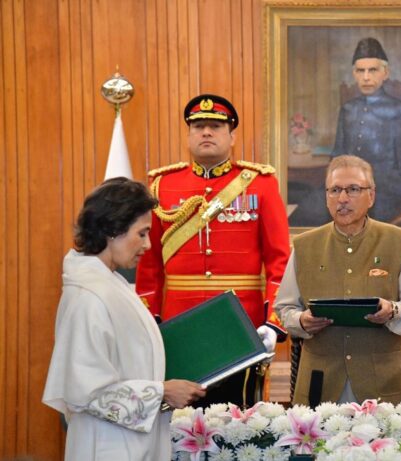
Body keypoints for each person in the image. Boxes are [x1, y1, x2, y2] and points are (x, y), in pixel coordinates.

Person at [136, 93, 290, 407]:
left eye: (216, 126)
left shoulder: (260, 184)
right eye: (198, 126)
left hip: (242, 325)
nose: (206, 132)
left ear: (232, 136)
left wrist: (273, 322)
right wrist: (150, 320)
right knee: (179, 418)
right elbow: (148, 266)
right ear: (188, 135)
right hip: (179, 326)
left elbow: (280, 261)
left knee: (241, 417)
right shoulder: (161, 186)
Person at [43, 177, 206, 460]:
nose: (148, 245)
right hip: (107, 444)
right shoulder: (87, 296)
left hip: (128, 439)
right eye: (141, 233)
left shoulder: (110, 284)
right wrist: (162, 392)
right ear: (113, 229)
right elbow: (85, 391)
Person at [275, 155, 401, 405]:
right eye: (335, 190)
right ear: (326, 197)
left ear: (371, 196)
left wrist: (392, 311)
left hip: (383, 383)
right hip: (321, 383)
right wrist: (301, 321)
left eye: (353, 189)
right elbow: (284, 308)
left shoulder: (395, 242)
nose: (342, 198)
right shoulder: (304, 246)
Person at [331, 37, 401, 225]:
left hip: (385, 196)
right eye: (360, 71)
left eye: (372, 70)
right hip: (345, 195)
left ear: (385, 73)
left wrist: (364, 190)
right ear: (354, 74)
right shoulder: (347, 110)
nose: (366, 77)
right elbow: (336, 158)